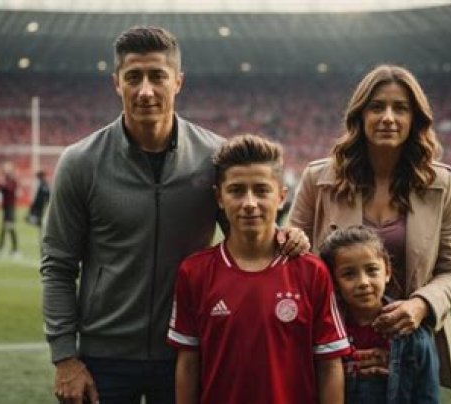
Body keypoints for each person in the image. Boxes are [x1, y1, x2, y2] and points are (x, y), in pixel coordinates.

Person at [41, 26, 309, 404]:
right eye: (133, 77)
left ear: (178, 82)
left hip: (187, 351)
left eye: (157, 76)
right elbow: (58, 265)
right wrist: (65, 358)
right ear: (116, 83)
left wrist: (286, 235)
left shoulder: (214, 158)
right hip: (104, 357)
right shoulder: (80, 162)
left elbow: (249, 242)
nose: (145, 90)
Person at [288, 64, 451, 391]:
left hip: (410, 346)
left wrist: (420, 305)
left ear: (415, 118)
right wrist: (290, 238)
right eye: (377, 107)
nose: (388, 117)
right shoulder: (318, 179)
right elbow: (291, 263)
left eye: (400, 108)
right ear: (360, 116)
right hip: (335, 348)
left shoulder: (441, 184)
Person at [168, 134, 349, 404]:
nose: (250, 203)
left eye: (261, 190)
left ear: (281, 197)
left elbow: (329, 365)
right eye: (236, 190)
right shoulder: (194, 272)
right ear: (219, 197)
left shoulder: (312, 272)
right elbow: (188, 364)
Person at [320, 225, 440, 404]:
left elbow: (426, 394)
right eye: (349, 274)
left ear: (387, 272)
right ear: (334, 281)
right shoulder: (325, 329)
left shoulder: (412, 331)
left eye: (371, 270)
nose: (363, 282)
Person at [0, 162, 19, 257]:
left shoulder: (12, 180)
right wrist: (0, 184)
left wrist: (2, 184)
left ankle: (15, 249)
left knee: (10, 228)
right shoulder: (5, 179)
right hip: (6, 207)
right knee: (5, 228)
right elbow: (0, 188)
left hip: (10, 207)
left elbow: (9, 189)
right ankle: (1, 248)